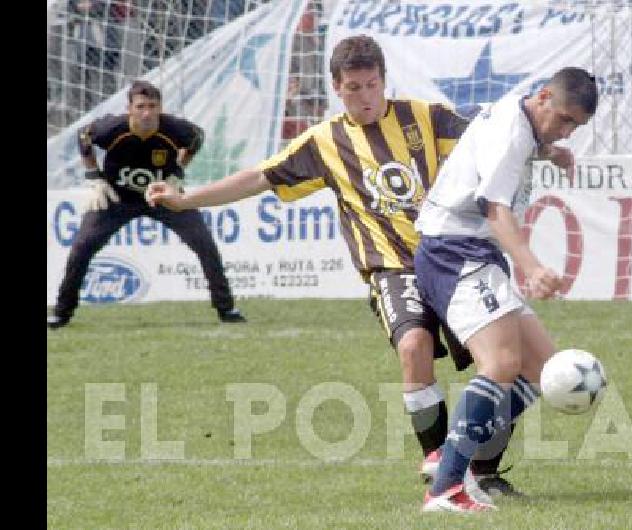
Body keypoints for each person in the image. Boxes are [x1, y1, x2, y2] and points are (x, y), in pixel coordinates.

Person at [146, 35, 571, 500]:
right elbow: (258, 177)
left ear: (384, 81)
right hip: (393, 268)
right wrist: (187, 200)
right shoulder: (324, 142)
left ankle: (479, 468)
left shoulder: (423, 117)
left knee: (516, 367)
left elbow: (492, 141)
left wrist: (547, 150)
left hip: (455, 257)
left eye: (372, 85)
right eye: (353, 88)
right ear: (336, 87)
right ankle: (442, 467)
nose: (365, 97)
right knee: (414, 346)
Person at [414, 67, 598, 513]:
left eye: (575, 126)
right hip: (454, 250)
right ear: (543, 97)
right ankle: (445, 488)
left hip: (474, 251)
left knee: (541, 372)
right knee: (501, 363)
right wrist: (531, 266)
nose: (566, 130)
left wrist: (551, 151)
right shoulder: (512, 133)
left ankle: (453, 453)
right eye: (564, 119)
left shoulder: (522, 121)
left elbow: (504, 147)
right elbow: (494, 207)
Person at [47, 80, 246, 329]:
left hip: (163, 195)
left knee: (203, 242)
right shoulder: (111, 128)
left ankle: (226, 309)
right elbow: (83, 136)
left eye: (153, 106)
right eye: (141, 106)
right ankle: (61, 313)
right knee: (82, 246)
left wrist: (177, 173)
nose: (147, 112)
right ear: (129, 108)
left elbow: (197, 138)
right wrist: (94, 178)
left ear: (160, 107)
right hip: (117, 197)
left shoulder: (174, 129)